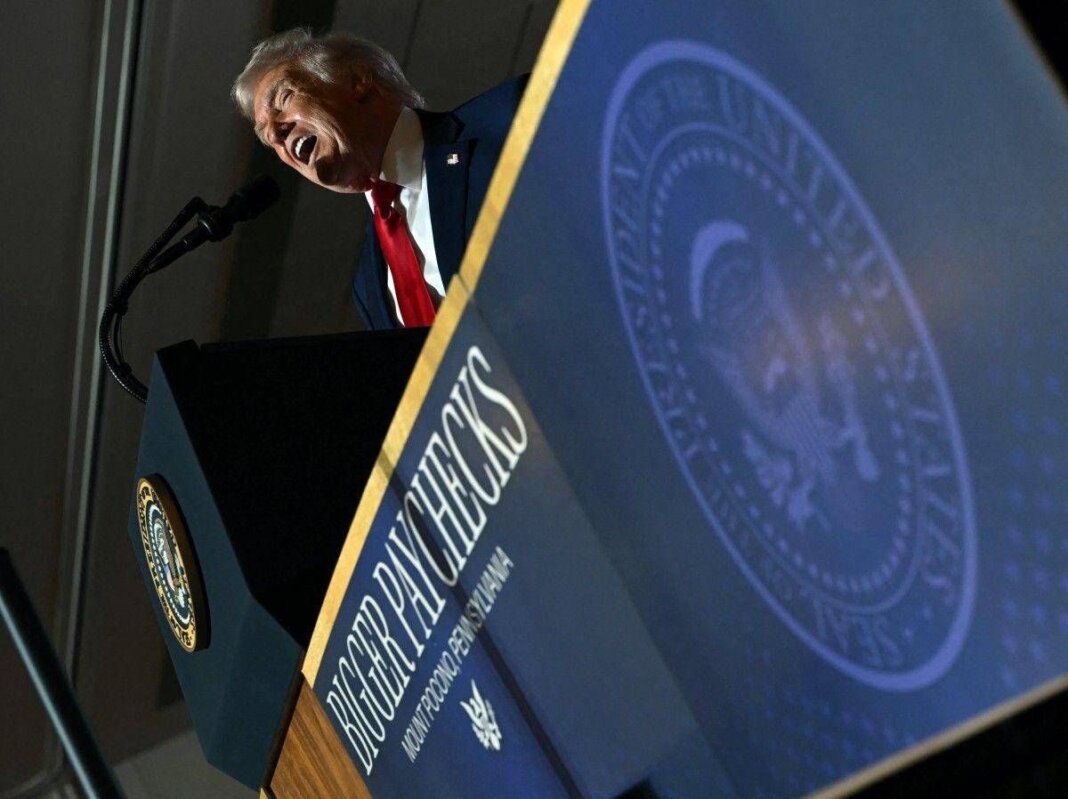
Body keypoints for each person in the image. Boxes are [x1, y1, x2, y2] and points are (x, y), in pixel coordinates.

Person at [231, 28, 528, 330]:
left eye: (284, 99)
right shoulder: (367, 285)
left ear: (357, 80)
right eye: (266, 138)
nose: (275, 134)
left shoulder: (508, 118)